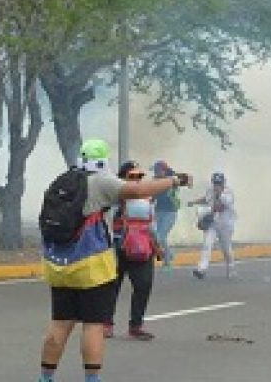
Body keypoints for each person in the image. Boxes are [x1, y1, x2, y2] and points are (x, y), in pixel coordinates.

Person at [38, 139, 188, 382]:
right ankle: (92, 379)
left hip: (59, 265)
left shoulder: (63, 181)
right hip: (91, 267)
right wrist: (174, 180)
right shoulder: (100, 181)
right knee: (93, 326)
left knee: (60, 324)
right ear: (103, 160)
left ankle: (45, 378)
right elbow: (139, 191)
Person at [105, 160, 160, 340]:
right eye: (132, 177)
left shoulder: (147, 199)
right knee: (111, 287)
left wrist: (157, 245)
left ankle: (136, 325)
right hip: (116, 248)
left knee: (144, 285)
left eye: (139, 177)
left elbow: (152, 225)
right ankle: (106, 323)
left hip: (142, 248)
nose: (136, 181)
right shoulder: (112, 198)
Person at [189, 171, 237, 280]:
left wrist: (205, 212)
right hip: (213, 224)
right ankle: (201, 269)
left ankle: (231, 267)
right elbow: (206, 199)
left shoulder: (228, 194)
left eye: (219, 183)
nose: (217, 185)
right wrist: (194, 202)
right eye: (215, 183)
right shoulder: (210, 190)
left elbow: (219, 207)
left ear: (223, 183)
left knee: (226, 249)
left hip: (226, 225)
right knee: (207, 245)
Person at [152, 159, 182, 270]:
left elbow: (186, 180)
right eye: (155, 170)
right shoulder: (156, 180)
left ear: (163, 171)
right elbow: (154, 194)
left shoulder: (172, 179)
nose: (155, 173)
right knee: (157, 235)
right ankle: (169, 254)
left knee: (161, 236)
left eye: (157, 170)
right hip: (158, 210)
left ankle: (167, 261)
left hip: (170, 212)